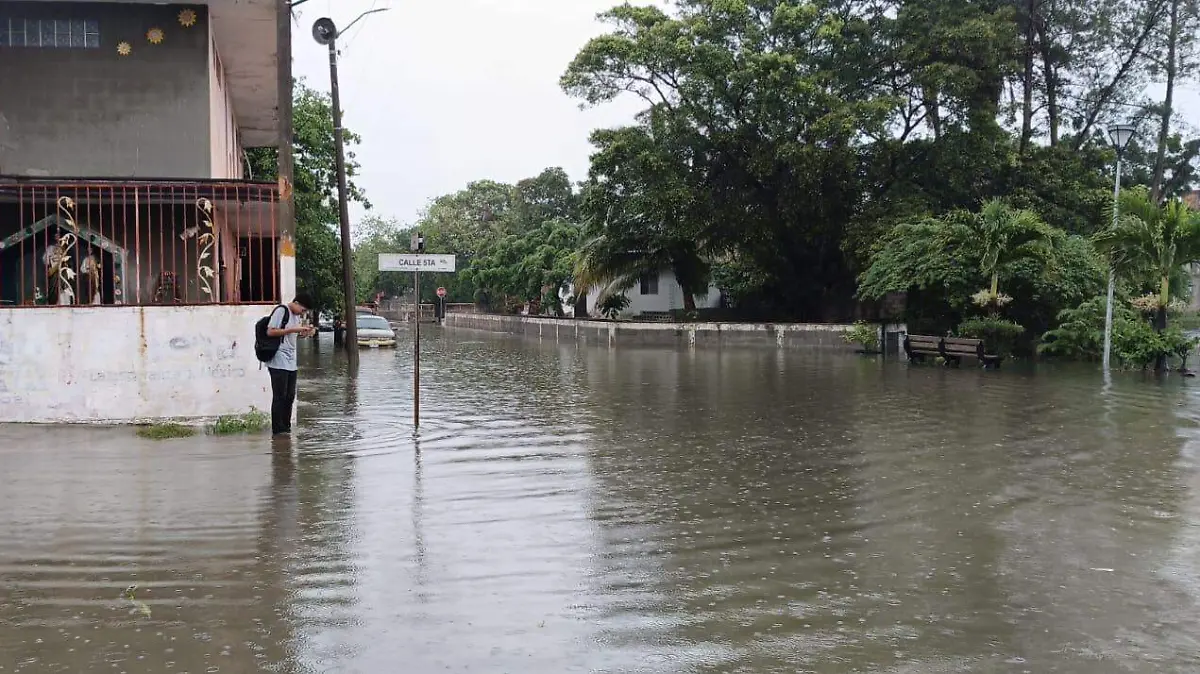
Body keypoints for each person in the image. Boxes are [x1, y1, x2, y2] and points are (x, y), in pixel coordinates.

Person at [265, 293, 315, 435]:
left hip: (291, 361)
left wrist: (303, 333)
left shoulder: (296, 317)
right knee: (279, 396)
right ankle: (277, 430)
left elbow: (290, 337)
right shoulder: (282, 311)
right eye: (303, 310)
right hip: (278, 359)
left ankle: (286, 429)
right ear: (296, 303)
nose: (302, 313)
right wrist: (293, 330)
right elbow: (270, 332)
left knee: (290, 396)